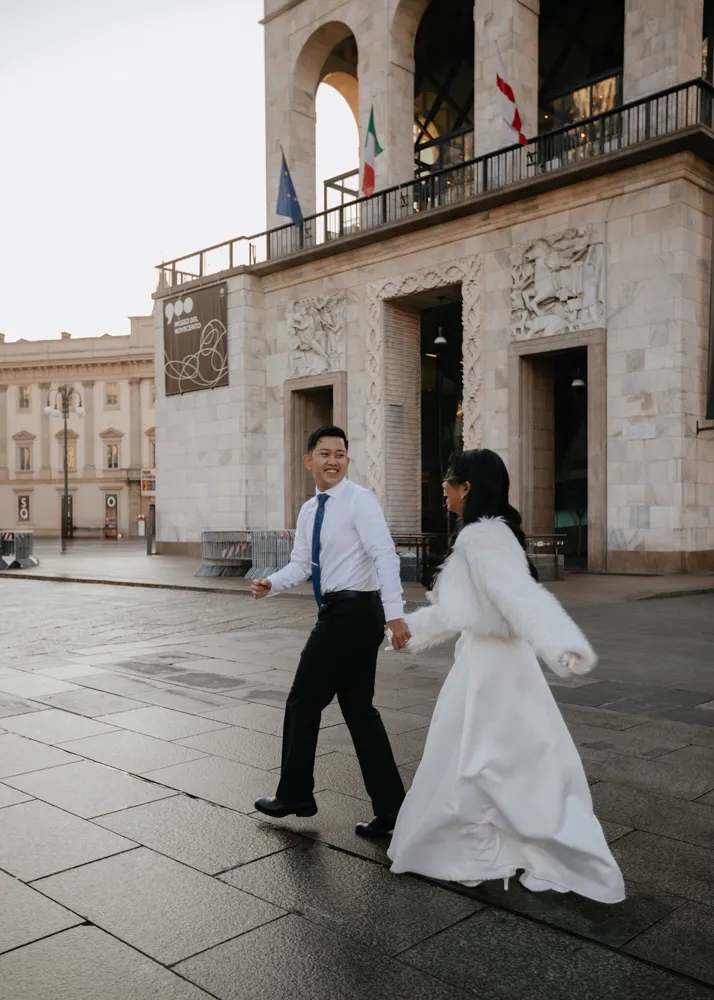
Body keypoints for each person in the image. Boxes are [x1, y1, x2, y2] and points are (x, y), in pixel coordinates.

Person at [388, 449, 625, 903]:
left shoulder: (482, 538)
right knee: (497, 758)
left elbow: (519, 598)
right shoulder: (482, 536)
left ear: (468, 487)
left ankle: (477, 855)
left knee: (480, 760)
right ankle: (483, 850)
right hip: (490, 660)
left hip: (493, 667)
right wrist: (409, 629)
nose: (443, 486)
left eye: (449, 479)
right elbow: (464, 611)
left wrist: (560, 643)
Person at [252, 425, 408, 837]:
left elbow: (384, 555)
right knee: (359, 712)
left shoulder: (360, 500)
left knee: (303, 701)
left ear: (348, 460)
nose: (333, 460)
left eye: (340, 453)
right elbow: (303, 563)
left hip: (354, 614)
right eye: (325, 453)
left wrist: (395, 616)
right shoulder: (309, 510)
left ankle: (296, 794)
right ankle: (394, 812)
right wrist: (273, 583)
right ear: (309, 461)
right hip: (341, 612)